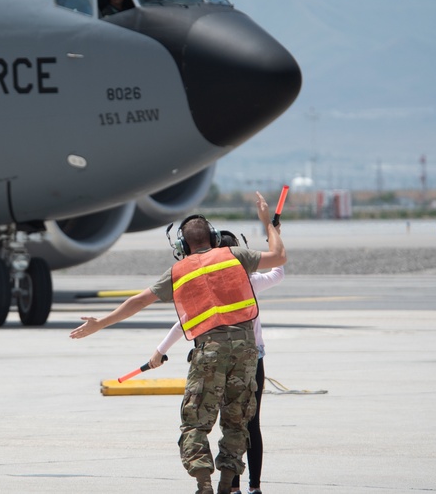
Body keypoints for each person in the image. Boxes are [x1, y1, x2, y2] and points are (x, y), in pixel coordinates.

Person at [70, 193, 286, 494]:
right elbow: (279, 259)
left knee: (195, 423)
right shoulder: (234, 256)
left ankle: (204, 484)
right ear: (212, 237)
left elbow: (138, 301)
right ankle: (228, 485)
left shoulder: (178, 271)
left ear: (182, 247)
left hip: (209, 351)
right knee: (237, 422)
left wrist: (100, 324)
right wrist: (268, 224)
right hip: (247, 352)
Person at [149, 227, 285, 494]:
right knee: (245, 423)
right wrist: (273, 232)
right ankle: (248, 486)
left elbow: (182, 322)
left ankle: (215, 485)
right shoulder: (249, 280)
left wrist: (159, 351)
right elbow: (278, 269)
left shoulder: (204, 284)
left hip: (214, 357)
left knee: (202, 420)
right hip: (250, 357)